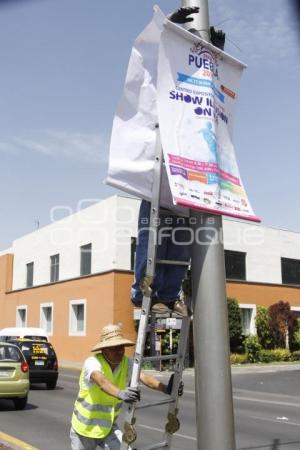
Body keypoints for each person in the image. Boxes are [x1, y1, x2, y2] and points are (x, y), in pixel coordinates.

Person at [131, 8, 226, 317]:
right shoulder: (164, 93)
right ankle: (143, 291)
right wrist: (169, 25)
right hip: (161, 185)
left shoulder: (194, 104)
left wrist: (215, 56)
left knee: (182, 246)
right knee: (152, 241)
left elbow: (209, 95)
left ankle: (169, 295)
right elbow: (153, 60)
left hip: (188, 188)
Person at [70, 323, 181, 450]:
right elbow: (101, 381)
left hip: (108, 427)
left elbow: (143, 377)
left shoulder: (126, 362)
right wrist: (121, 393)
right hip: (84, 429)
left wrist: (165, 388)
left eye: (121, 346)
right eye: (114, 347)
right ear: (105, 350)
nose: (120, 351)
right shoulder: (92, 362)